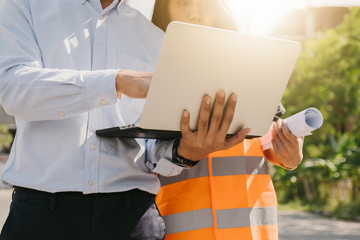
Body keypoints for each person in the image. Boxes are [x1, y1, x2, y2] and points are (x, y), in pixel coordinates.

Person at [0, 0, 250, 239]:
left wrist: (187, 152)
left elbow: (153, 150)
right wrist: (117, 82)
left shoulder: (155, 37)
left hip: (133, 218)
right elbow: (14, 90)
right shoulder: (25, 5)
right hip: (40, 217)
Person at [152, 0, 304, 239]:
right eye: (182, 1)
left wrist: (288, 155)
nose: (195, 13)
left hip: (252, 227)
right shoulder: (145, 70)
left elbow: (262, 137)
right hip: (182, 226)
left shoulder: (253, 65)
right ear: (162, 7)